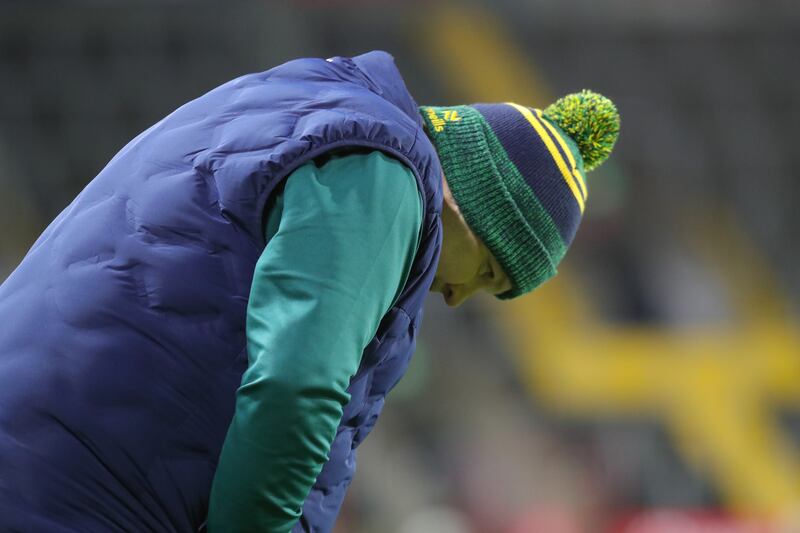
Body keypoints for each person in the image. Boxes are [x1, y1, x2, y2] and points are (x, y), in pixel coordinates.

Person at [0, 50, 619, 532]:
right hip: (75, 495)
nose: (457, 297)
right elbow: (297, 385)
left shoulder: (297, 105)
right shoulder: (383, 175)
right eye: (487, 273)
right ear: (477, 210)